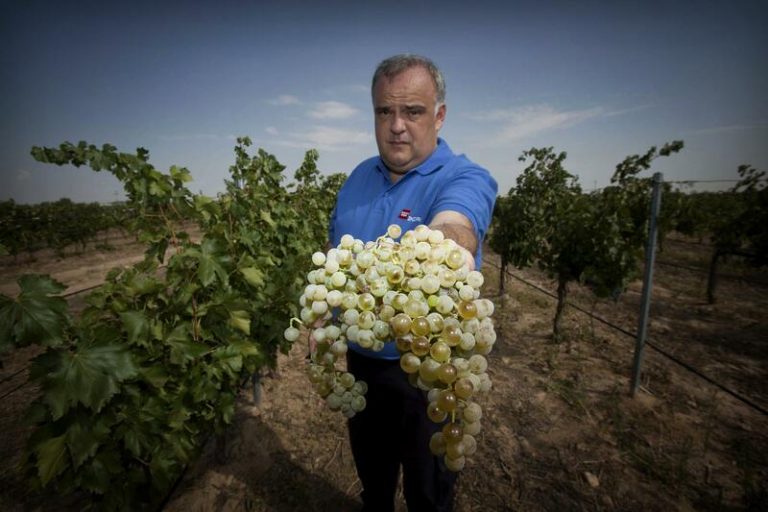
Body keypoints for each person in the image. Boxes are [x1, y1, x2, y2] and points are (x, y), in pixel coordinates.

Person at [328, 54, 497, 512]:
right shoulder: (357, 180)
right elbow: (336, 266)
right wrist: (326, 318)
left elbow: (457, 220)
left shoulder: (464, 176)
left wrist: (450, 242)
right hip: (364, 366)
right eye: (385, 111)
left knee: (428, 494)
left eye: (413, 111)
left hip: (428, 374)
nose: (397, 125)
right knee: (374, 481)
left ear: (439, 116)